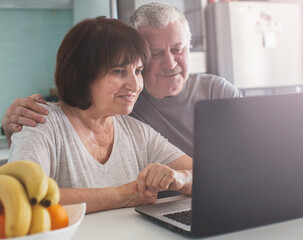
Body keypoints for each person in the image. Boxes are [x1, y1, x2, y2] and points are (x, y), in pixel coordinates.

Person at [1, 2, 241, 157]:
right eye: (155, 54)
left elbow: (257, 150)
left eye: (178, 49)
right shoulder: (122, 104)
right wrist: (16, 128)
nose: (170, 63)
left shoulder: (217, 92)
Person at [8, 16, 192, 214]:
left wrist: (181, 178)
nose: (135, 85)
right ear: (82, 75)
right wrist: (121, 195)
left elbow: (206, 177)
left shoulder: (137, 131)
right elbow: (21, 197)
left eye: (138, 71)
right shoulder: (40, 121)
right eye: (119, 71)